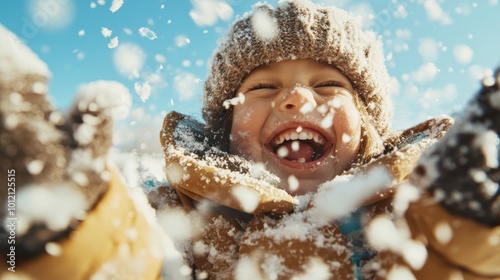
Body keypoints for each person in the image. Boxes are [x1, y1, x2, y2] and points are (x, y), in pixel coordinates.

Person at [0, 0, 498, 279]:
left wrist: (472, 222)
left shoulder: (419, 215)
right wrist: (67, 228)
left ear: (369, 126)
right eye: (262, 88)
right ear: (225, 131)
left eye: (329, 85)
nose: (297, 101)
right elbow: (129, 265)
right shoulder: (176, 216)